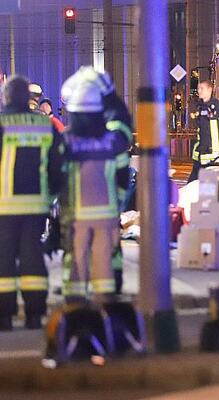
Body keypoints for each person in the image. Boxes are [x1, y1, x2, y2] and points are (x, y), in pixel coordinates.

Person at [61, 66, 133, 295]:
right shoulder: (113, 140)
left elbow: (56, 177)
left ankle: (76, 305)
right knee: (106, 269)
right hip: (107, 215)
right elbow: (123, 175)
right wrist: (117, 204)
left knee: (76, 266)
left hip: (76, 217)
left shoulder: (66, 142)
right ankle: (107, 299)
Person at [0, 76, 64, 330]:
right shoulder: (44, 124)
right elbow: (58, 166)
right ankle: (34, 316)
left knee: (3, 261)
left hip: (3, 207)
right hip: (36, 206)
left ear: (6, 97)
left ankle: (4, 317)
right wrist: (51, 195)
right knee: (32, 259)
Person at [187, 80, 219, 182]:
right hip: (201, 157)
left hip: (216, 159)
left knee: (216, 188)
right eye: (198, 88)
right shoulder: (199, 107)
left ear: (210, 90)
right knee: (192, 187)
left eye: (202, 88)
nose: (199, 91)